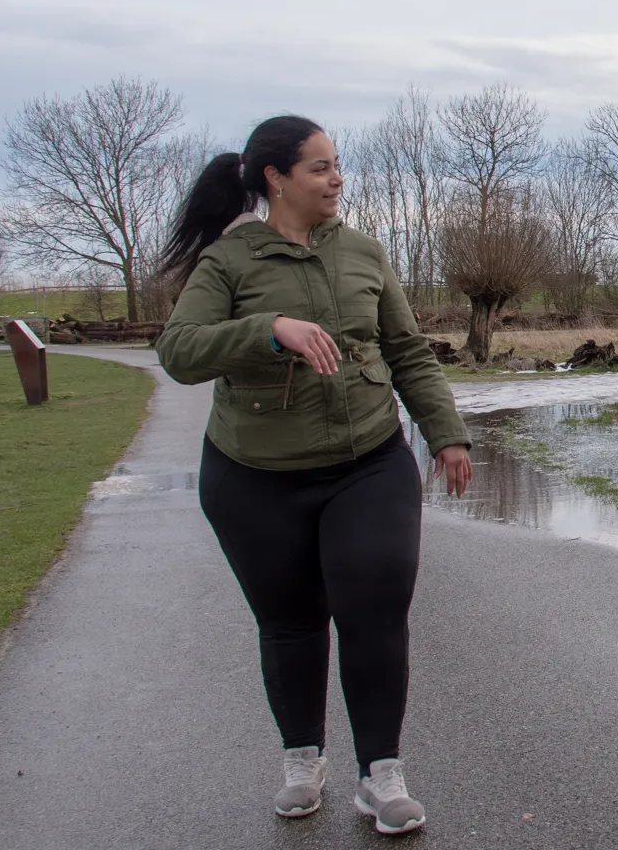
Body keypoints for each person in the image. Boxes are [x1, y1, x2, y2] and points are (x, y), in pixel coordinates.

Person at [156, 115, 472, 835]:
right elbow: (178, 350)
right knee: (292, 624)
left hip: (369, 461)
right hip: (254, 474)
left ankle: (381, 775)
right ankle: (303, 759)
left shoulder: (362, 253)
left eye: (338, 166)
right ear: (276, 178)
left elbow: (410, 352)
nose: (336, 180)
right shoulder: (230, 262)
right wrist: (268, 330)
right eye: (321, 168)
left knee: (374, 610)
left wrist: (446, 433)